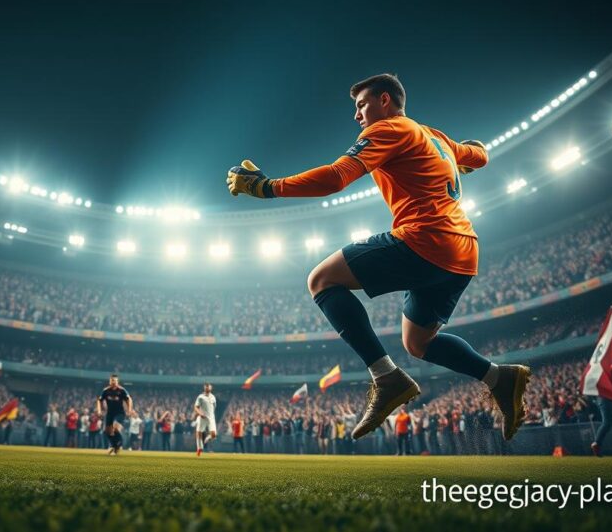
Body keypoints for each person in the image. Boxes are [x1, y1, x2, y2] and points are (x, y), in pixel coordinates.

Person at [226, 73, 530, 442]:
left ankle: (386, 377)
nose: (357, 115)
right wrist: (466, 152)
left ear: (385, 100)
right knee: (419, 343)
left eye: (361, 105)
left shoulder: (388, 130)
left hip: (424, 238)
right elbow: (479, 155)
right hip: (462, 252)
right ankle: (499, 377)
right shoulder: (437, 137)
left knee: (321, 279)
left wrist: (267, 187)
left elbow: (337, 177)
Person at [96, 374, 132, 455]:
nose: (114, 382)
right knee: (107, 432)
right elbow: (99, 400)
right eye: (112, 380)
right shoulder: (106, 391)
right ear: (110, 381)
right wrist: (99, 410)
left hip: (120, 413)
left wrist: (129, 410)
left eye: (115, 381)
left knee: (115, 427)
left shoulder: (122, 390)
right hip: (110, 413)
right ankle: (115, 446)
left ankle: (119, 444)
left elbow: (129, 399)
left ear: (117, 382)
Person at [193, 382, 217, 457]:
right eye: (206, 387)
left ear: (211, 388)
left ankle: (207, 438)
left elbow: (214, 407)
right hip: (202, 417)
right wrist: (200, 413)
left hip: (211, 418)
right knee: (198, 432)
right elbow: (196, 407)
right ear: (204, 388)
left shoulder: (213, 397)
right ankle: (199, 448)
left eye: (208, 387)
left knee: (213, 435)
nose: (207, 388)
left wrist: (211, 414)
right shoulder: (200, 397)